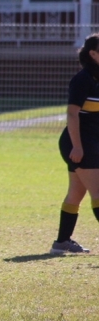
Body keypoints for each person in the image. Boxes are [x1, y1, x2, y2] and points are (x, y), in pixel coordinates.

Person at [51, 33, 99, 255]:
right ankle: (62, 242)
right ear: (93, 54)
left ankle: (61, 243)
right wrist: (77, 147)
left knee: (76, 192)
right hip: (77, 142)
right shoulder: (82, 80)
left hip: (91, 142)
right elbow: (72, 115)